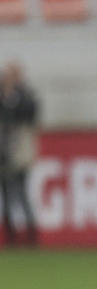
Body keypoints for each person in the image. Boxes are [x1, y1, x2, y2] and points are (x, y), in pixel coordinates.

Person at [0, 61, 40, 246]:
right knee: (6, 194)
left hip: (20, 151)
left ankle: (31, 237)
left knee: (22, 192)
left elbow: (29, 114)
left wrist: (13, 97)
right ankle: (11, 236)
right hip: (4, 151)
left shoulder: (25, 96)